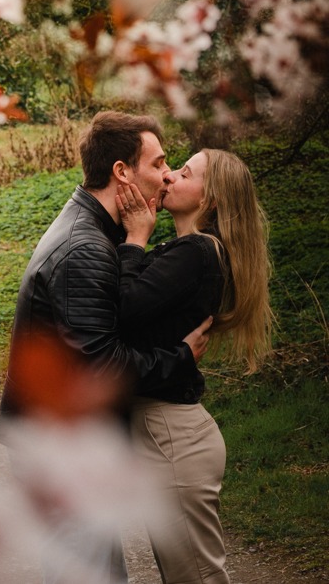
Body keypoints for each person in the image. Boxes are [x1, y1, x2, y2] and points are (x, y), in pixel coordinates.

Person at [0, 111, 211, 583]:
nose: (167, 175)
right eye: (158, 163)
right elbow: (101, 365)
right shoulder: (85, 248)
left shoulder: (93, 231)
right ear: (122, 172)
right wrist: (179, 358)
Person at [114, 148, 273, 584]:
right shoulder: (186, 250)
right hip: (168, 436)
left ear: (212, 200)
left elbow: (123, 308)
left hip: (173, 441)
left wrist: (135, 240)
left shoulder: (199, 253)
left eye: (184, 173)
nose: (169, 178)